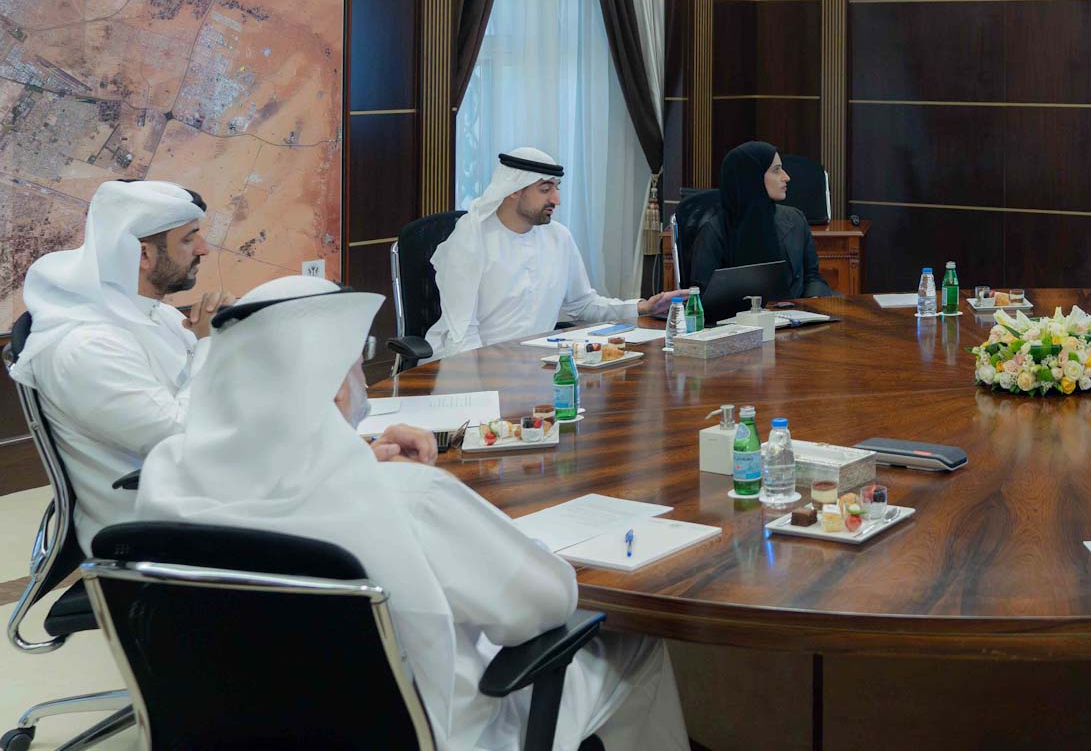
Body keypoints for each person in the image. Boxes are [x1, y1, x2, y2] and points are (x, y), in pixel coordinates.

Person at [135, 276, 689, 751]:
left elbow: (274, 499)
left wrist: (356, 456)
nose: (363, 386)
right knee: (636, 649)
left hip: (241, 728)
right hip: (432, 734)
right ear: (332, 393)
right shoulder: (405, 498)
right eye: (357, 369)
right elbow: (545, 605)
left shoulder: (166, 480)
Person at [6, 179, 434, 550]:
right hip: (157, 528)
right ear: (143, 256)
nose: (204, 249)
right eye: (189, 239)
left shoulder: (154, 315)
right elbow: (184, 434)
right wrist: (212, 344)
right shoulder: (82, 348)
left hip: (211, 491)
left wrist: (343, 452)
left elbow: (220, 411)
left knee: (395, 495)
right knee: (391, 527)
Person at [426, 148, 682, 358]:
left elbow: (582, 305)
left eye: (557, 188)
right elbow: (463, 334)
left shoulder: (559, 237)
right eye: (545, 189)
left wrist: (643, 307)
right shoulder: (470, 238)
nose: (556, 199)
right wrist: (484, 390)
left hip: (535, 365)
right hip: (471, 366)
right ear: (514, 189)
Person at [685, 141, 834, 301]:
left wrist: (814, 300)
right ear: (752, 176)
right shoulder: (714, 231)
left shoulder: (796, 219)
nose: (786, 177)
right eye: (776, 170)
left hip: (794, 312)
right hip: (737, 316)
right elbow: (704, 297)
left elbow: (813, 277)